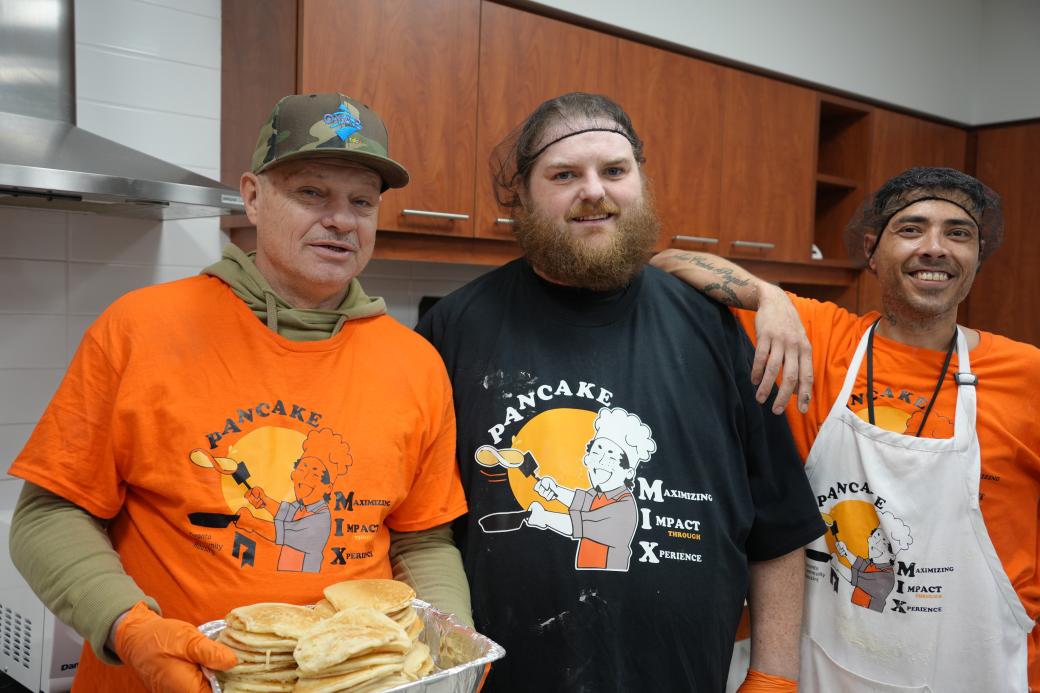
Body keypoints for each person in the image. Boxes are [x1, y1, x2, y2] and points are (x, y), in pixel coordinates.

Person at [7, 93, 471, 693]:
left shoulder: (415, 363)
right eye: (312, 193)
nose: (341, 219)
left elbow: (423, 538)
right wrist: (130, 629)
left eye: (362, 201)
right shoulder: (141, 328)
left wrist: (448, 654)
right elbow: (48, 515)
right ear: (252, 196)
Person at [416, 92, 825, 693]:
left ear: (640, 182)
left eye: (614, 170)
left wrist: (774, 674)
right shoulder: (453, 329)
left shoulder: (715, 326)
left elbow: (779, 524)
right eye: (564, 175)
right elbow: (418, 531)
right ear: (522, 198)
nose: (594, 191)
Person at [651, 167, 1039, 691]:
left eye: (958, 233)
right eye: (911, 228)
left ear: (976, 258)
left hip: (983, 670)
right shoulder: (818, 338)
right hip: (827, 669)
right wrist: (769, 298)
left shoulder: (1028, 376)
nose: (935, 248)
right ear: (872, 252)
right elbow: (669, 262)